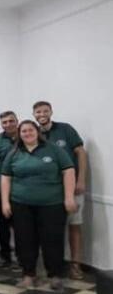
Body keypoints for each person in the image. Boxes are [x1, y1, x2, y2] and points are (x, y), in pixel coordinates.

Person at [1, 120, 76, 291]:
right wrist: (5, 202)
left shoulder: (54, 149)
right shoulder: (14, 153)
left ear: (37, 132)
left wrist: (69, 197)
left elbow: (68, 170)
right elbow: (6, 177)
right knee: (24, 240)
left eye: (30, 130)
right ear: (19, 134)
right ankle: (29, 275)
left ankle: (55, 275)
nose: (27, 133)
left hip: (52, 204)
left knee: (53, 239)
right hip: (21, 204)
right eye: (24, 131)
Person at [33, 100, 88, 280]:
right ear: (34, 115)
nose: (42, 114)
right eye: (38, 112)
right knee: (50, 229)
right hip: (49, 191)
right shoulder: (34, 133)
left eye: (45, 111)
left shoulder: (65, 129)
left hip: (73, 188)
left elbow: (81, 153)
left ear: (51, 112)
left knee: (74, 225)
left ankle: (75, 265)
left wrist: (81, 180)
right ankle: (52, 265)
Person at [0, 111, 19, 268]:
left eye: (11, 121)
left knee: (21, 225)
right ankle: (5, 256)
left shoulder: (25, 136)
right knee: (3, 224)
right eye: (5, 122)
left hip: (21, 189)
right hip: (1, 189)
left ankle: (22, 257)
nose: (8, 124)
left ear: (17, 121)